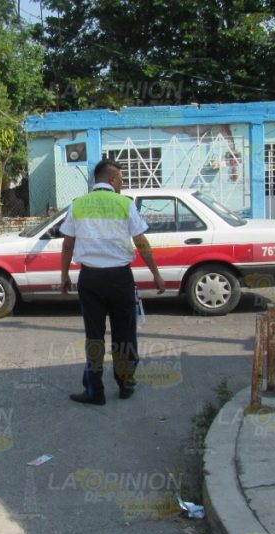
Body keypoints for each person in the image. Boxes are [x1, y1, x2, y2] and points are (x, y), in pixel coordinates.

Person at [59, 159, 166, 405]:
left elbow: (68, 244)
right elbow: (141, 243)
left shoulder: (78, 205)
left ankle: (94, 391)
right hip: (120, 279)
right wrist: (156, 274)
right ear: (111, 179)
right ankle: (126, 385)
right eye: (121, 178)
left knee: (94, 336)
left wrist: (64, 275)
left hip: (90, 278)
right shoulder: (124, 204)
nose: (122, 183)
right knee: (124, 335)